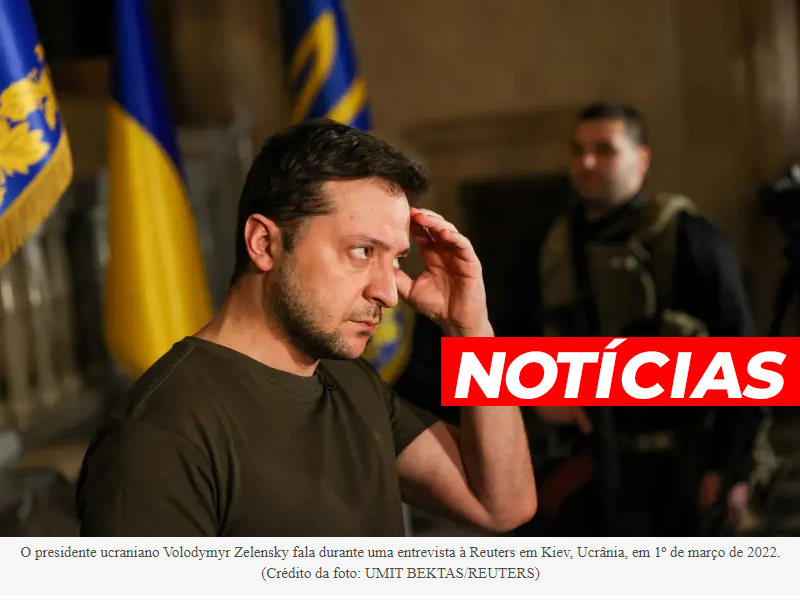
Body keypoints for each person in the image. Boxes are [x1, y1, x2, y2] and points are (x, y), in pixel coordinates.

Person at [75, 119, 537, 536]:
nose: (388, 293)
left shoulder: (349, 377)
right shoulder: (159, 433)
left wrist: (471, 329)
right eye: (362, 251)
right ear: (264, 243)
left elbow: (503, 506)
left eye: (395, 259)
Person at [514, 102, 760, 536]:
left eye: (605, 150)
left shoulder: (689, 239)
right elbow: (513, 336)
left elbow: (747, 358)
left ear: (641, 159)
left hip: (680, 468)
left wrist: (729, 470)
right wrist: (536, 396)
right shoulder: (550, 245)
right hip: (585, 465)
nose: (588, 162)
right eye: (578, 150)